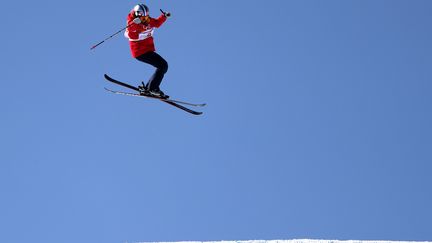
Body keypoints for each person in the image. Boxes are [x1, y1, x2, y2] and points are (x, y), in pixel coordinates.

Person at [124, 4, 171, 98]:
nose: (145, 19)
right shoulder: (132, 23)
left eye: (146, 16)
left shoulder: (147, 20)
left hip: (147, 50)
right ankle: (152, 88)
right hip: (139, 52)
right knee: (163, 65)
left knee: (162, 66)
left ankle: (149, 88)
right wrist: (134, 24)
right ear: (137, 14)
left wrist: (164, 16)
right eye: (142, 17)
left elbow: (156, 23)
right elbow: (129, 34)